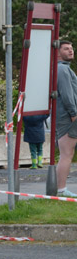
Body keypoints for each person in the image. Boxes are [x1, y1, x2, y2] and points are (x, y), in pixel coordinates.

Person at [55, 41, 77, 197]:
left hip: (68, 116)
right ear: (57, 52)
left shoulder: (64, 68)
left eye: (71, 48)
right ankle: (61, 190)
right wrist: (74, 113)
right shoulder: (62, 69)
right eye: (66, 49)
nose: (70, 51)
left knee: (68, 153)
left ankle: (61, 190)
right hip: (67, 117)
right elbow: (67, 94)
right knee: (66, 153)